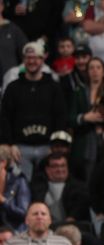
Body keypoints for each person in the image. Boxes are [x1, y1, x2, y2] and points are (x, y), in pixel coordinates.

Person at [0, 41, 67, 180]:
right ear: (23, 60)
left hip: (47, 147)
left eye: (36, 58)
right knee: (22, 188)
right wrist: (10, 144)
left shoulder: (53, 87)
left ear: (43, 59)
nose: (32, 61)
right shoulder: (13, 87)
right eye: (28, 58)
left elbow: (60, 116)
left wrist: (55, 146)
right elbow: (5, 117)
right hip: (20, 148)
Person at [30, 153, 89, 224]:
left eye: (63, 166)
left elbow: (80, 209)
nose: (60, 169)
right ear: (47, 169)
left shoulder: (79, 187)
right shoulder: (37, 187)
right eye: (55, 166)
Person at [0, 145, 31, 231]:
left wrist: (3, 201)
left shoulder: (18, 181)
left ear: (3, 163)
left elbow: (23, 213)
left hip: (14, 231)